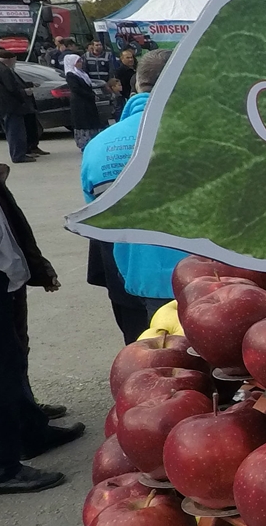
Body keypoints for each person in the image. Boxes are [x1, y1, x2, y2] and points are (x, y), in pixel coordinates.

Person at [81, 49, 191, 338]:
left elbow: (100, 217)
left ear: (138, 84)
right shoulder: (215, 134)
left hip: (131, 280)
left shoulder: (99, 146)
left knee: (147, 371)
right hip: (208, 284)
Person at [0, 163, 85, 493]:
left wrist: (34, 268)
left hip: (5, 277)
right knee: (1, 368)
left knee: (13, 357)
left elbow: (10, 222)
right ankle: (2, 467)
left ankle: (30, 429)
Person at [0, 48, 37, 164]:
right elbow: (11, 88)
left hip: (2, 106)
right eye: (14, 60)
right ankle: (18, 155)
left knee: (12, 130)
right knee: (16, 131)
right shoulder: (4, 70)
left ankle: (18, 153)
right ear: (8, 60)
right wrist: (25, 93)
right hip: (11, 106)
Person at [65, 53, 103, 149]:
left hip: (88, 102)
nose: (80, 63)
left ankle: (93, 141)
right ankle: (84, 144)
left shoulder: (82, 73)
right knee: (83, 123)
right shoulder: (71, 75)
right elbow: (76, 89)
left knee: (92, 121)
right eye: (78, 61)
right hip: (79, 103)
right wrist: (90, 95)